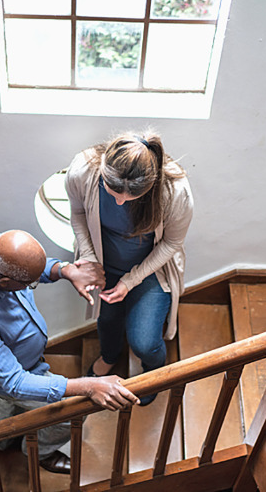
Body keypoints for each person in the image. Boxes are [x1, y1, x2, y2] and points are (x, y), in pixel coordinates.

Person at [0, 230, 138, 475]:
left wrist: (65, 270)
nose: (31, 288)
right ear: (4, 283)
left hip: (14, 364)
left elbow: (35, 268)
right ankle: (38, 452)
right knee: (69, 414)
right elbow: (13, 381)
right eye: (28, 285)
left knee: (6, 402)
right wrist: (89, 386)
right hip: (12, 375)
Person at [64, 130, 193, 406]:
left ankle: (153, 371)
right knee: (107, 320)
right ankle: (110, 356)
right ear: (102, 170)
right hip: (104, 263)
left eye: (132, 196)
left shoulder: (175, 190)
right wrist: (90, 258)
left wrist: (131, 281)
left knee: (145, 342)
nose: (121, 201)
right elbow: (77, 213)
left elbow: (171, 243)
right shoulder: (81, 171)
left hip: (150, 270)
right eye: (113, 192)